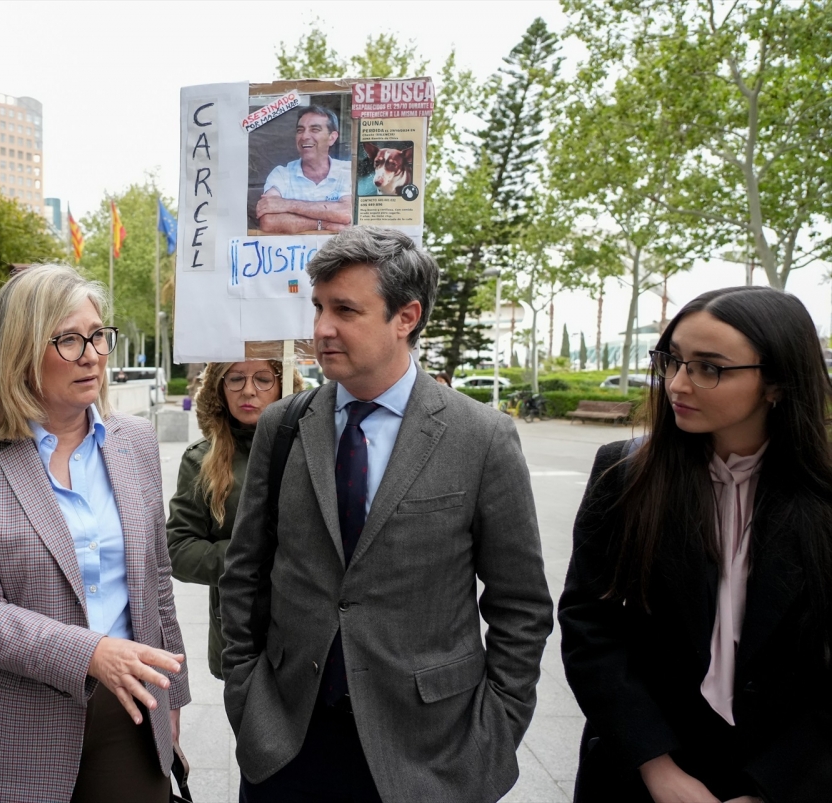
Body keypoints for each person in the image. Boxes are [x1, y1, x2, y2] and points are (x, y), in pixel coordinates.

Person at [220, 227, 554, 802]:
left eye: (345, 309)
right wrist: (249, 698)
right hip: (289, 740)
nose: (322, 328)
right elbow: (244, 573)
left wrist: (494, 732)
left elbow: (520, 605)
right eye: (319, 307)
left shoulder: (482, 437)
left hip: (429, 751)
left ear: (407, 316)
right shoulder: (284, 426)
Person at [0, 264, 190, 803]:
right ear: (18, 350)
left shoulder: (135, 442)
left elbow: (157, 582)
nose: (91, 354)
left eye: (97, 336)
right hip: (8, 728)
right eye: (68, 339)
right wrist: (91, 653)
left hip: (131, 709)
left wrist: (174, 700)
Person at [558, 286, 832, 803]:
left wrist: (774, 786)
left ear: (775, 382)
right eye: (672, 361)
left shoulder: (821, 501)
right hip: (641, 770)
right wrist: (658, 770)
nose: (678, 384)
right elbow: (589, 625)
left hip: (786, 775)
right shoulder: (626, 474)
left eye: (710, 368)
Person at [166, 360, 298, 679]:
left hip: (305, 635)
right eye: (235, 378)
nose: (248, 390)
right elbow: (179, 550)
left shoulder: (311, 450)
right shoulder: (201, 459)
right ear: (219, 389)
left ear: (284, 385)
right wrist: (252, 558)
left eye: (264, 378)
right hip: (241, 632)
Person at [255, 105, 354, 234]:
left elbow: (347, 214)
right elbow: (268, 221)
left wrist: (287, 205)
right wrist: (323, 223)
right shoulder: (281, 174)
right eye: (300, 130)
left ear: (332, 138)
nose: (304, 136)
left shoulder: (347, 171)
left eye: (315, 129)